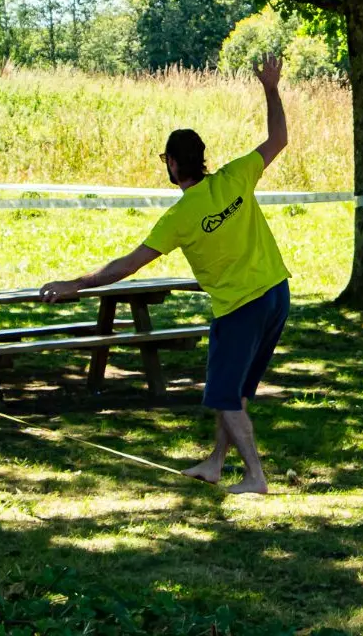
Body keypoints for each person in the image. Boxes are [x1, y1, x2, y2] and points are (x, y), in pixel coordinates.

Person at [40, 55, 291, 494]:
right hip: (276, 294)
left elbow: (127, 265)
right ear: (203, 159)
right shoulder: (235, 176)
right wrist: (270, 87)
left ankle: (255, 476)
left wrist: (74, 284)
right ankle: (215, 463)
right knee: (236, 390)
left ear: (174, 164)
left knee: (224, 394)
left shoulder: (178, 217)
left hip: (241, 307)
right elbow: (279, 138)